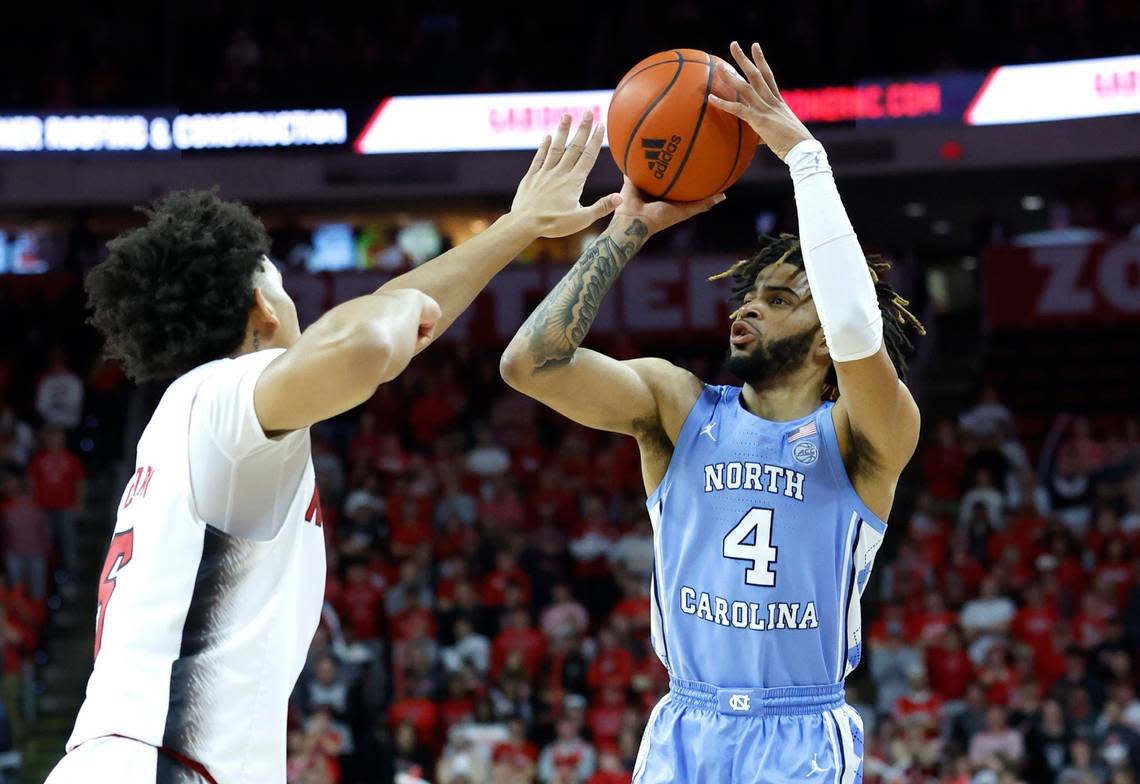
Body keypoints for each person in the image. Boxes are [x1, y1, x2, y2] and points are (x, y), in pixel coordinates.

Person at [47, 112, 621, 784]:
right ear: (264, 311)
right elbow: (365, 341)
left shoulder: (201, 421)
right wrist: (401, 316)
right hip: (157, 767)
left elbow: (382, 324)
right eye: (287, 287)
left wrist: (517, 229)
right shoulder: (222, 397)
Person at [501, 41, 923, 782]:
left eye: (781, 298)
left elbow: (859, 327)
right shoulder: (676, 406)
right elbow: (528, 364)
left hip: (800, 733)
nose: (751, 306)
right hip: (684, 725)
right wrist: (626, 228)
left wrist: (805, 157)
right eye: (749, 295)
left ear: (825, 338)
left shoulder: (864, 438)